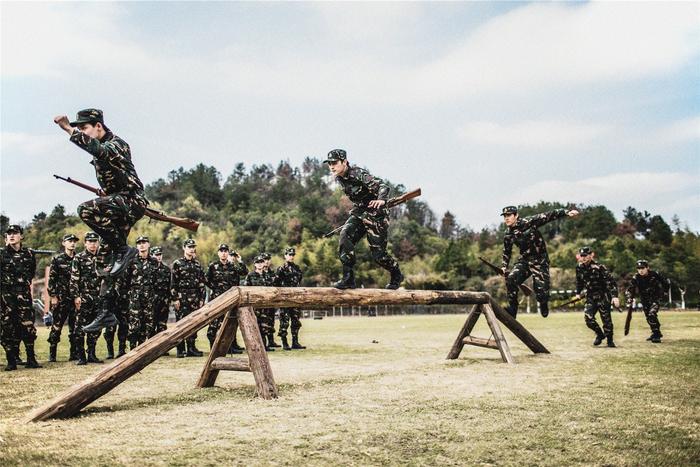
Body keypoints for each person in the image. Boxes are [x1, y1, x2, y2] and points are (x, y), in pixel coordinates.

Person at [53, 109, 148, 331]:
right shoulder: (101, 148)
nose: (82, 131)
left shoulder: (117, 144)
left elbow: (99, 150)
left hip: (131, 202)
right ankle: (106, 313)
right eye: (80, 129)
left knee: (85, 210)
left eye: (84, 128)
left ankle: (123, 249)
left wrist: (69, 129)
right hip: (117, 204)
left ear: (98, 126)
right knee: (104, 263)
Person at [324, 149, 403, 290]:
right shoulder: (339, 177)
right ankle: (348, 278)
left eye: (334, 163)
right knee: (345, 235)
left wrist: (381, 200)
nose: (331, 166)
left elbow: (383, 186)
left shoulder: (357, 173)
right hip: (360, 213)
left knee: (379, 256)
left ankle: (396, 273)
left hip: (376, 215)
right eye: (329, 163)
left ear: (344, 162)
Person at [501, 205, 580, 318]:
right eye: (504, 216)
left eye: (509, 215)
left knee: (541, 292)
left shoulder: (529, 221)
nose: (506, 218)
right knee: (510, 280)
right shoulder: (508, 233)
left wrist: (566, 212)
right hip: (525, 260)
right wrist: (504, 266)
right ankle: (513, 309)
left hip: (540, 260)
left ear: (516, 215)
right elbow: (506, 251)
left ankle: (543, 303)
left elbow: (549, 215)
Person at [1, 224, 41, 370]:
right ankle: (11, 361)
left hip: (24, 295)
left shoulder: (29, 253)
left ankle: (31, 359)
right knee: (7, 328)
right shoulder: (2, 254)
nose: (11, 236)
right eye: (9, 233)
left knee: (28, 326)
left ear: (21, 236)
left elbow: (31, 272)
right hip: (6, 296)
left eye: (15, 233)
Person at [69, 232, 104, 364]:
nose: (93, 244)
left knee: (96, 328)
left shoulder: (102, 257)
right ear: (85, 243)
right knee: (80, 328)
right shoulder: (79, 258)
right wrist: (76, 296)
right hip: (84, 298)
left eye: (95, 241)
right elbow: (74, 279)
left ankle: (92, 354)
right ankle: (81, 356)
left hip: (99, 298)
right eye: (90, 241)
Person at [205, 244, 247, 352]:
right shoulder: (213, 266)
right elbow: (206, 280)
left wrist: (240, 260)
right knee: (214, 323)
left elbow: (244, 272)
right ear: (218, 253)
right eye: (221, 251)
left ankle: (229, 347)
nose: (224, 253)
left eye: (225, 251)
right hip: (217, 299)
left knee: (229, 323)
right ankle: (213, 348)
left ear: (228, 253)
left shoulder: (233, 266)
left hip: (231, 299)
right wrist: (215, 288)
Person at [575, 247, 619, 347]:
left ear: (591, 255)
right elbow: (579, 281)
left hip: (603, 296)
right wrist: (578, 293)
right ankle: (600, 334)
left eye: (586, 255)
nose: (584, 258)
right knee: (588, 318)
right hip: (590, 296)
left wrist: (615, 296)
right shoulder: (579, 267)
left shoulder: (599, 267)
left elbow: (611, 282)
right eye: (582, 256)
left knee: (606, 319)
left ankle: (609, 340)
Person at [121, 236, 159, 349]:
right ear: (137, 246)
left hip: (149, 297)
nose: (142, 245)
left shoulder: (154, 261)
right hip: (135, 297)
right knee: (134, 324)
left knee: (147, 324)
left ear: (148, 245)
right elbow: (125, 280)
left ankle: (142, 348)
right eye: (139, 243)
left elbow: (157, 279)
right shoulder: (131, 260)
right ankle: (133, 348)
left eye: (144, 243)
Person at [170, 239, 206, 358]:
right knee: (181, 324)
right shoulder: (178, 263)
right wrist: (175, 299)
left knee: (194, 323)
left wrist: (202, 299)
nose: (191, 249)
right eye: (189, 246)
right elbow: (173, 283)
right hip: (182, 298)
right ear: (184, 248)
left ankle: (191, 348)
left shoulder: (197, 264)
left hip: (195, 298)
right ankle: (180, 349)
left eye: (193, 247)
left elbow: (201, 283)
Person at [47, 233, 79, 362]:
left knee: (75, 327)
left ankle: (74, 354)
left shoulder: (79, 259)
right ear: (63, 243)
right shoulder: (57, 259)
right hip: (61, 298)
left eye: (74, 241)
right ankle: (52, 353)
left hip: (74, 298)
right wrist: (53, 296)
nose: (72, 243)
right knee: (57, 326)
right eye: (69, 241)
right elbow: (51, 280)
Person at [625, 260, 666, 343]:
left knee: (652, 314)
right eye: (639, 268)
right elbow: (630, 289)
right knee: (648, 317)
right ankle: (655, 332)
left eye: (643, 268)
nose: (641, 270)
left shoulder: (655, 274)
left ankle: (656, 335)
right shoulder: (636, 277)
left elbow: (665, 283)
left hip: (655, 298)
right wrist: (630, 297)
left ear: (647, 268)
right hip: (644, 300)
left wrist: (664, 293)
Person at [274, 247, 305, 350]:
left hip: (295, 299)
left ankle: (295, 342)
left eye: (292, 255)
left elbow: (299, 281)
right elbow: (276, 283)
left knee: (296, 321)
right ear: (285, 256)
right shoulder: (281, 269)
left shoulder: (297, 268)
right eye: (289, 254)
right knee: (284, 322)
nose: (291, 256)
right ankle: (285, 342)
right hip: (285, 299)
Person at [244, 255, 275, 351]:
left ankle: (264, 345)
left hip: (266, 306)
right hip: (255, 306)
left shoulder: (268, 276)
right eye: (258, 262)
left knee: (265, 326)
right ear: (254, 264)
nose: (260, 264)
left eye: (261, 262)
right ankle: (257, 346)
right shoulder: (250, 275)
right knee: (255, 326)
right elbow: (246, 289)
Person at [151, 246, 171, 338]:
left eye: (160, 254)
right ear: (151, 255)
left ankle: (161, 348)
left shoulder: (166, 270)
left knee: (162, 326)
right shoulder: (149, 269)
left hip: (163, 301)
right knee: (151, 325)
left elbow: (169, 286)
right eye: (156, 255)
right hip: (151, 302)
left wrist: (168, 300)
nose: (158, 257)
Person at [261, 252, 279, 347]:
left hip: (271, 301)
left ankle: (271, 341)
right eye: (264, 259)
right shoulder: (259, 273)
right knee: (263, 322)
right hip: (262, 302)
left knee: (271, 321)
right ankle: (264, 343)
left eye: (268, 259)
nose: (266, 262)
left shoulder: (273, 273)